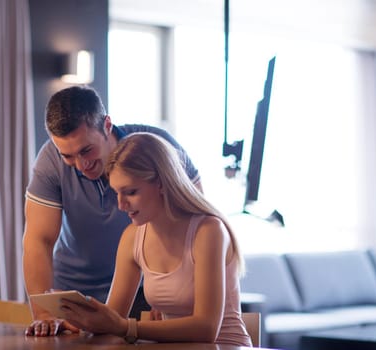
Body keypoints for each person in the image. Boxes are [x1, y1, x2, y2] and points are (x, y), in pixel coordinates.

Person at [23, 86, 201, 336]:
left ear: (107, 125)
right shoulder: (50, 162)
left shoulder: (154, 149)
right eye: (68, 156)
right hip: (75, 290)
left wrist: (172, 290)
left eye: (87, 150)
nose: (81, 165)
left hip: (145, 287)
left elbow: (195, 218)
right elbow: (38, 241)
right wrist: (43, 314)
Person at [58, 132, 252, 345]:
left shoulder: (208, 231)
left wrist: (126, 327)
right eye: (117, 193)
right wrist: (74, 322)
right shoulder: (132, 238)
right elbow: (112, 318)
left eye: (131, 192)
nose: (121, 205)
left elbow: (206, 329)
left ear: (161, 183)